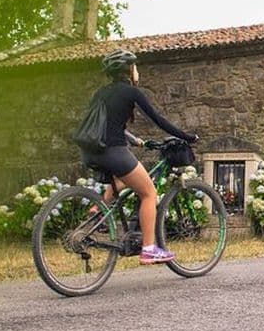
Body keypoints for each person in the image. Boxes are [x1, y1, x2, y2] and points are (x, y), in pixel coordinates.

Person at [80, 48, 197, 264]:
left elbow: (103, 125)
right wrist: (187, 136)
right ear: (129, 69)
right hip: (113, 151)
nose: (137, 71)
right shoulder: (131, 92)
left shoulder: (100, 93)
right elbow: (158, 120)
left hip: (91, 152)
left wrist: (137, 141)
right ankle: (149, 249)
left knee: (122, 179)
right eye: (135, 66)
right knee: (149, 193)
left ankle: (98, 210)